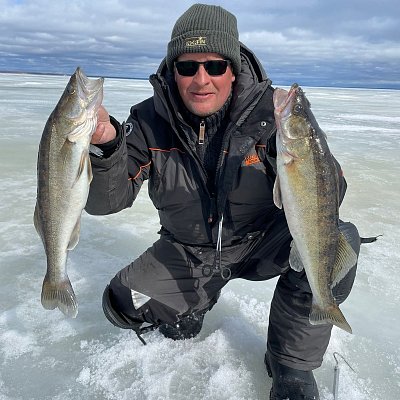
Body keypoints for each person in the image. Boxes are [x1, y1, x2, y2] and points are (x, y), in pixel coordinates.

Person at [86, 4, 361, 399]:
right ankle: (195, 302)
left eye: (215, 66)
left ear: (232, 69)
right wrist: (107, 147)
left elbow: (329, 200)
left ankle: (291, 364)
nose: (202, 79)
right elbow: (106, 202)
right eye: (188, 67)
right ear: (173, 70)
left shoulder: (271, 117)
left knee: (338, 242)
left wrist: (318, 165)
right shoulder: (147, 121)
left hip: (264, 244)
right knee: (121, 303)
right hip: (190, 253)